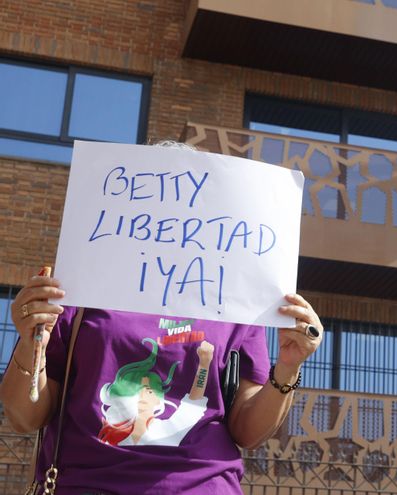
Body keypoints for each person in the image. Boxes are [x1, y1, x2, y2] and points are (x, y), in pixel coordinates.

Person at [0, 148, 324, 494]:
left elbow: (248, 432)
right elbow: (25, 416)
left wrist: (288, 367)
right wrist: (32, 341)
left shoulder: (235, 295)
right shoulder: (83, 284)